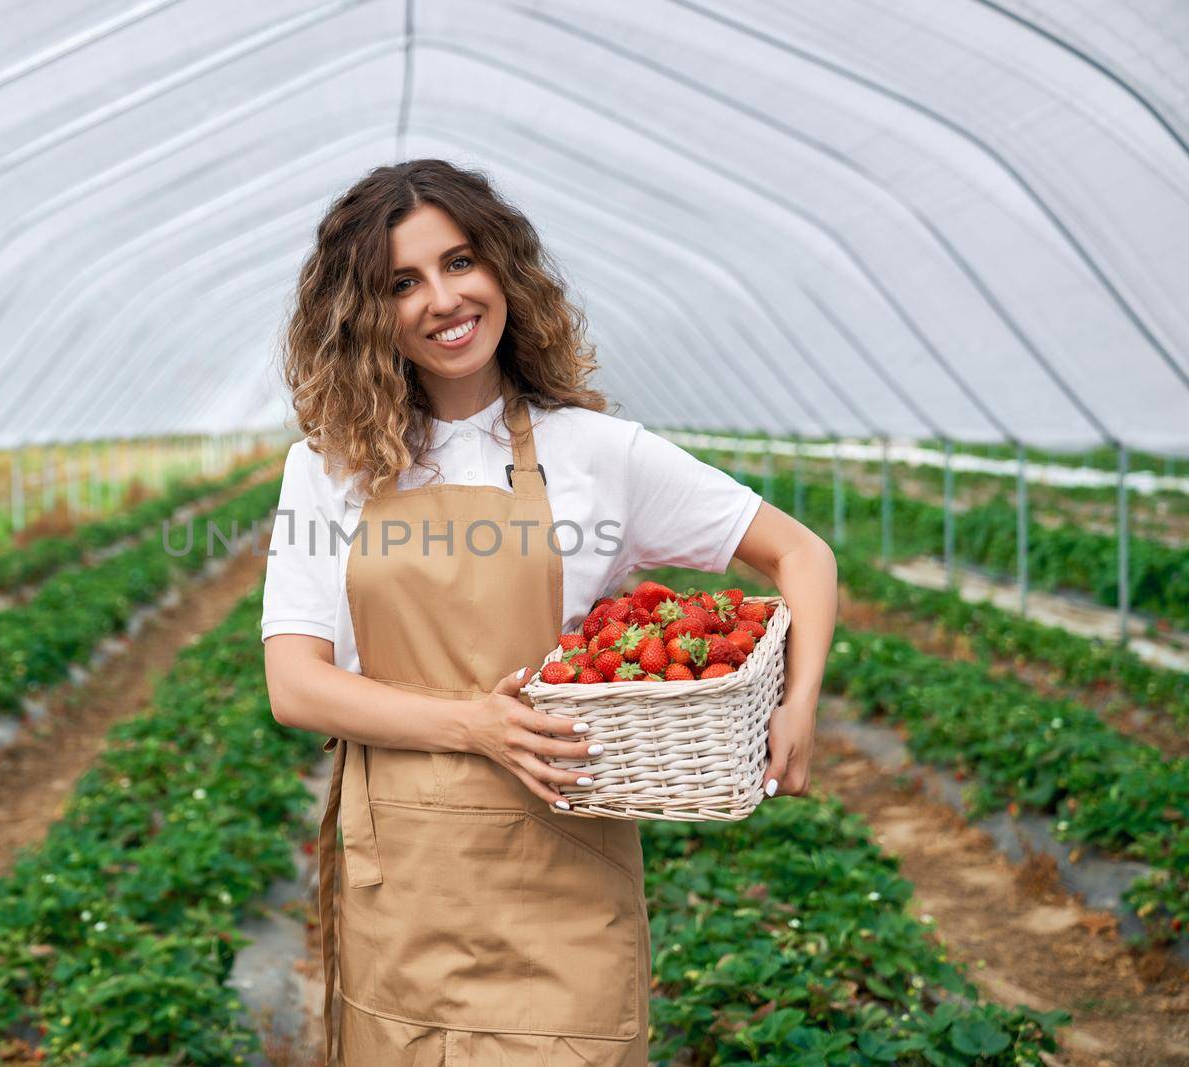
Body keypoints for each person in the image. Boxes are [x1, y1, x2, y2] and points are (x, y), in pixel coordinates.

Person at [261, 158, 837, 1064]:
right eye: (401, 283)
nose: (442, 299)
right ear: (365, 313)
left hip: (560, 880)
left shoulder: (596, 453)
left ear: (502, 269)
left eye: (459, 263)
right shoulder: (328, 468)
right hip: (405, 891)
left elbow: (799, 553)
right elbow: (295, 685)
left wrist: (796, 704)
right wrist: (474, 724)